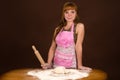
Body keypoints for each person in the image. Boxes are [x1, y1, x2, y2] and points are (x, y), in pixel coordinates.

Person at [41, 2, 92, 71]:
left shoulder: (79, 26)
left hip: (71, 66)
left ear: (76, 13)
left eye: (72, 12)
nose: (69, 15)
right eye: (66, 12)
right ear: (63, 14)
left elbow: (78, 46)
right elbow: (52, 48)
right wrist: (49, 63)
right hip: (56, 66)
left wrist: (80, 65)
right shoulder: (58, 29)